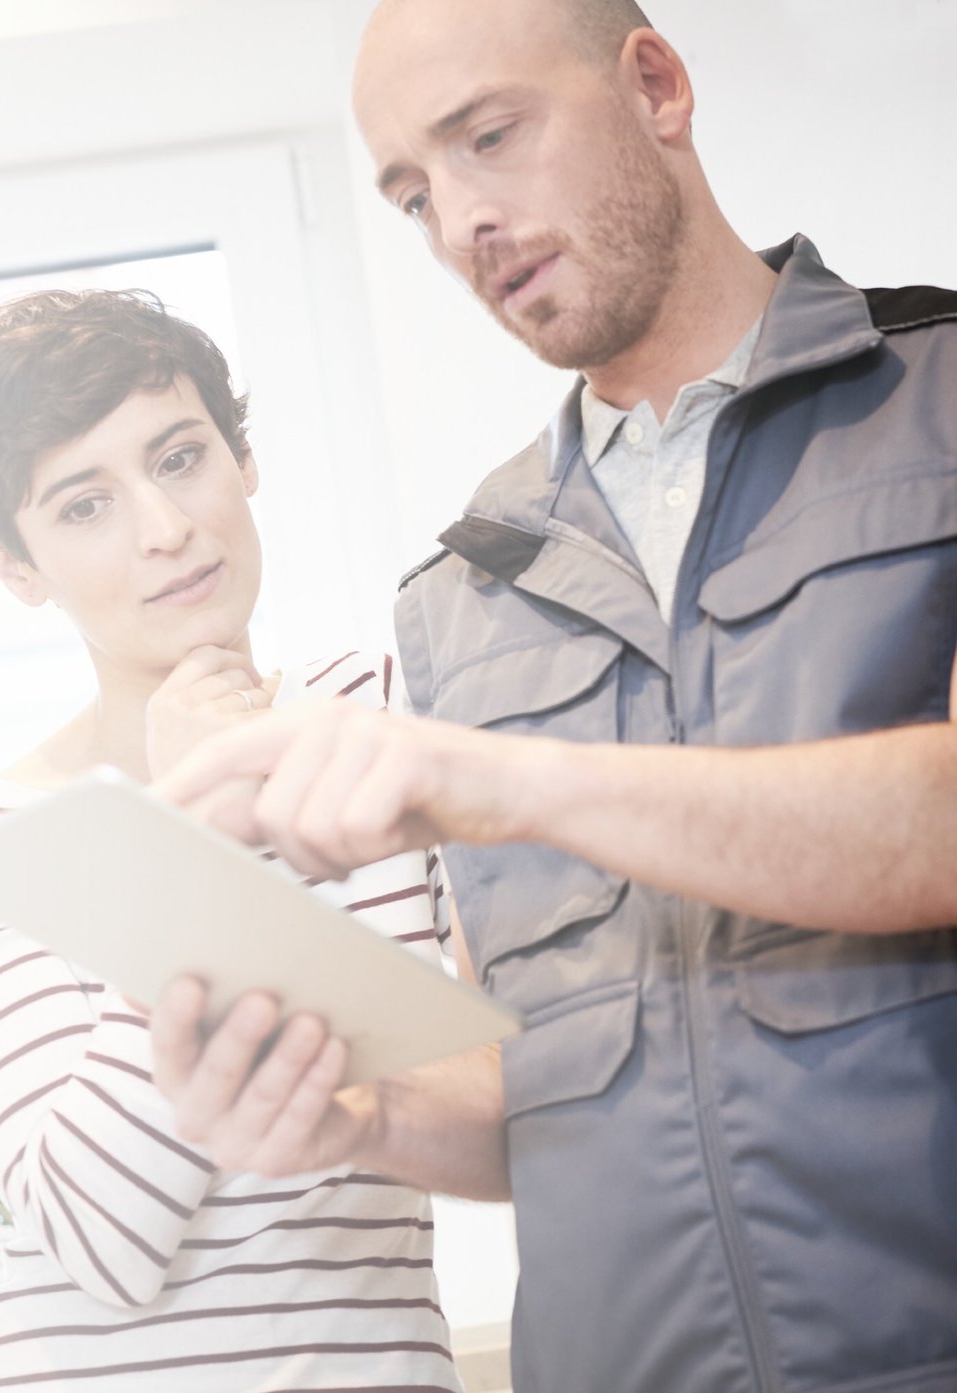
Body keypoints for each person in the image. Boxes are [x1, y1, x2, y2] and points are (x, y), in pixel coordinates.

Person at [144, 3, 957, 1391]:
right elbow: (533, 1086)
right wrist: (358, 1112)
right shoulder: (460, 598)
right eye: (413, 195)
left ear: (656, 85)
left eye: (489, 137)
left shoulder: (939, 401)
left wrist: (502, 777)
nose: (462, 223)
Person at [0, 289, 466, 1392]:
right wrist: (197, 827)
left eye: (181, 457)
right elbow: (103, 1238)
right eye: (84, 505)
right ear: (18, 567)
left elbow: (531, 1089)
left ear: (243, 459)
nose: (164, 528)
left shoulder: (384, 717)